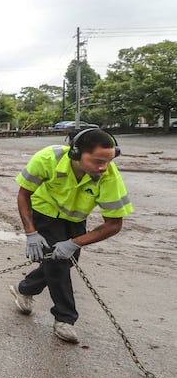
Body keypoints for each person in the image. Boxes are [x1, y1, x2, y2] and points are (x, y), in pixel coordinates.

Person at [9, 128, 133, 343]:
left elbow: (114, 224)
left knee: (65, 261)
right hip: (45, 211)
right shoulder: (47, 159)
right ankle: (65, 318)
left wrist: (74, 243)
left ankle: (24, 289)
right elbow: (24, 194)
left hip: (76, 219)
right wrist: (31, 233)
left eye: (109, 161)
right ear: (76, 153)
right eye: (96, 161)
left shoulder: (108, 176)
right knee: (58, 266)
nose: (103, 167)